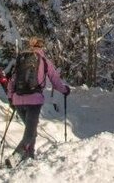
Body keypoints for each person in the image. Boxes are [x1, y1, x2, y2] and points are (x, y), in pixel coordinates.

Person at [5, 37, 70, 167]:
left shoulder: (20, 60)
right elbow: (55, 81)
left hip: (18, 100)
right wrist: (65, 90)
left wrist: (10, 97)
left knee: (31, 131)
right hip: (34, 101)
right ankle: (16, 156)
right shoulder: (44, 61)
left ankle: (29, 158)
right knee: (30, 133)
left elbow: (12, 81)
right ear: (41, 47)